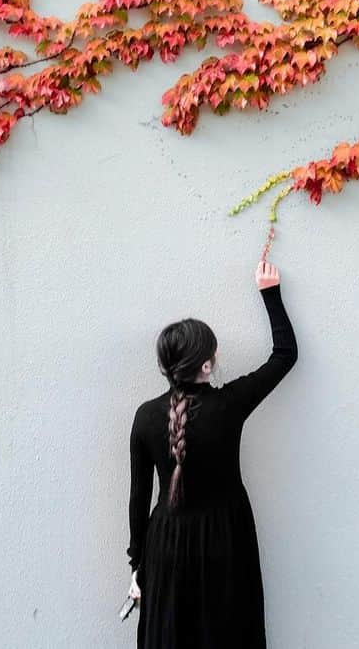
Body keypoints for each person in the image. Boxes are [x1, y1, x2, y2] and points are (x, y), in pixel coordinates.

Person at [126, 258, 298, 648]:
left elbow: (137, 501)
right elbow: (285, 354)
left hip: (165, 544)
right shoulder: (230, 404)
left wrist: (138, 566)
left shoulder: (144, 417)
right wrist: (270, 293)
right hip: (226, 540)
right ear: (207, 363)